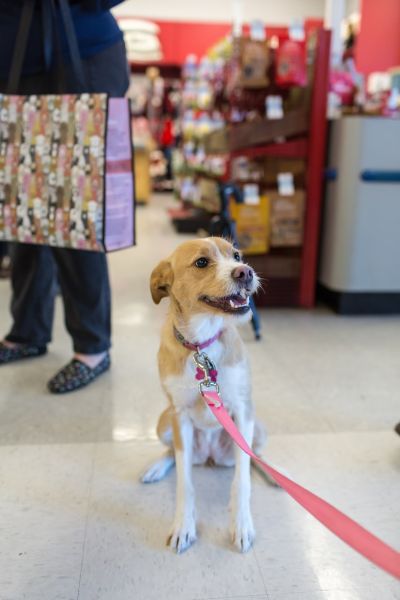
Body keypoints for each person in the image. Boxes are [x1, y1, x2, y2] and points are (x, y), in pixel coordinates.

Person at [0, 0, 129, 393]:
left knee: (75, 208)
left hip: (85, 60)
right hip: (15, 64)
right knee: (24, 206)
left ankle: (93, 346)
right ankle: (28, 331)